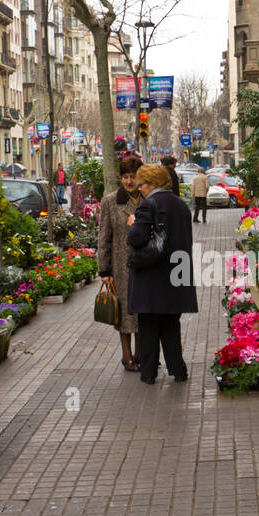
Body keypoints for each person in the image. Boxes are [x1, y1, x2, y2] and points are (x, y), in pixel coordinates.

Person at [127, 164, 196, 384]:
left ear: (153, 183)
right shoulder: (181, 205)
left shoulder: (149, 205)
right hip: (178, 273)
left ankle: (148, 374)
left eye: (142, 185)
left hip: (153, 277)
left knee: (148, 327)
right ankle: (178, 370)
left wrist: (133, 224)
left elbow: (136, 239)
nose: (140, 189)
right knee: (170, 326)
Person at [97, 154, 144, 372]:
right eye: (125, 177)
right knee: (124, 312)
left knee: (143, 312)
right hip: (120, 266)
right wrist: (104, 270)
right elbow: (104, 237)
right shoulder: (110, 201)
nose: (129, 181)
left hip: (145, 264)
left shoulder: (148, 199)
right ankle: (127, 356)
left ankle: (142, 353)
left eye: (133, 176)